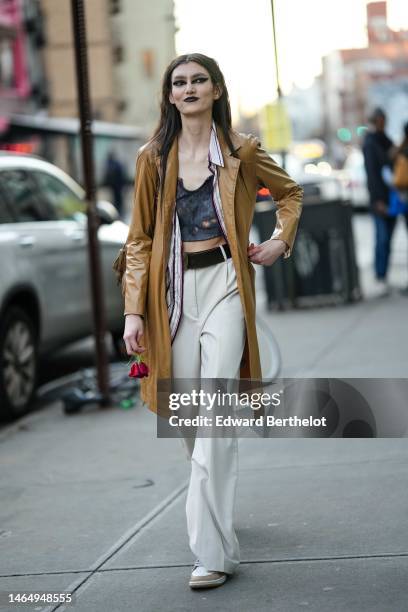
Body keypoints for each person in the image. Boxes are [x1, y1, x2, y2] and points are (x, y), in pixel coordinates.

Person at [122, 53, 303, 589]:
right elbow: (139, 239)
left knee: (214, 414)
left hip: (225, 283)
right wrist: (133, 311)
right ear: (170, 96)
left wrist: (277, 241)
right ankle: (217, 506)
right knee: (188, 422)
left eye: (200, 79)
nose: (190, 87)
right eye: (180, 82)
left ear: (217, 90)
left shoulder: (242, 151)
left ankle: (212, 555)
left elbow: (290, 193)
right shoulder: (153, 158)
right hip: (173, 294)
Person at [362, 107, 396, 296]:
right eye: (381, 119)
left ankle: (383, 276)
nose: (384, 122)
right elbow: (372, 175)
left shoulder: (386, 140)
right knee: (382, 239)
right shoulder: (370, 142)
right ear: (376, 120)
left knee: (388, 239)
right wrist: (377, 200)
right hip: (379, 199)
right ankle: (380, 277)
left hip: (392, 197)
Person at [103, 151, 126, 217]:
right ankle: (118, 208)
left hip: (117, 184)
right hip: (116, 184)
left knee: (117, 197)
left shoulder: (113, 164)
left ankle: (119, 209)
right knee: (117, 197)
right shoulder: (114, 164)